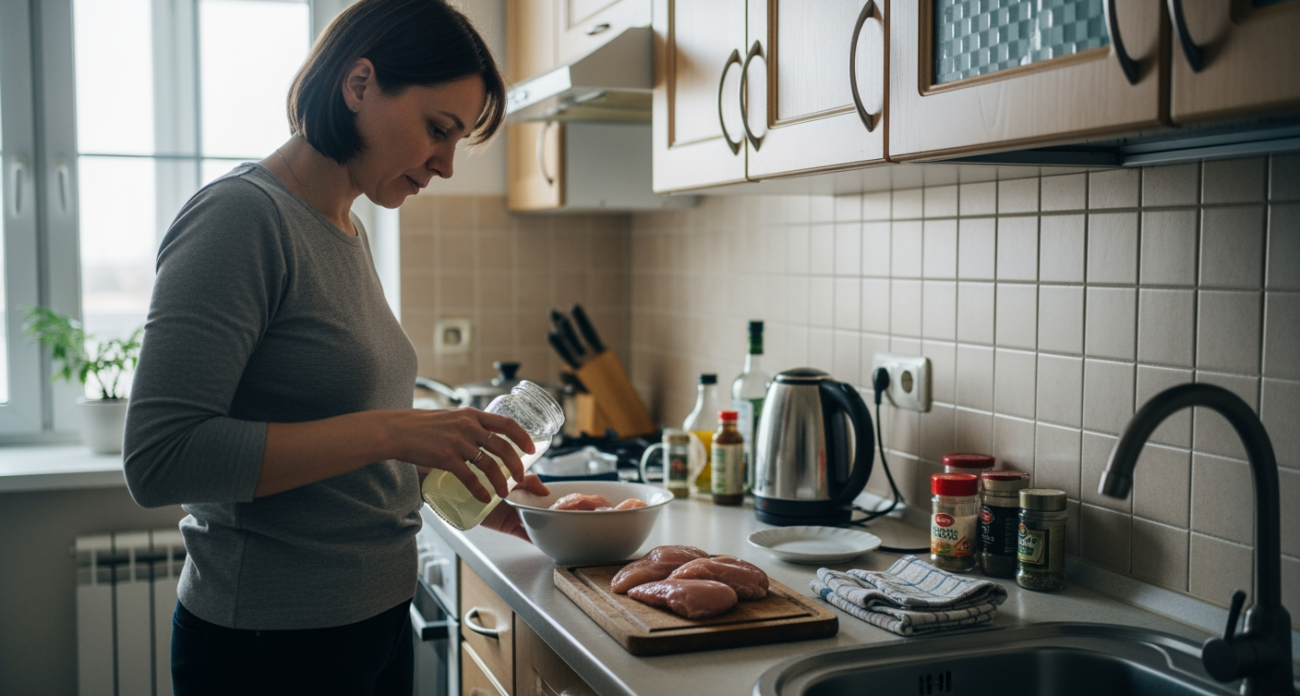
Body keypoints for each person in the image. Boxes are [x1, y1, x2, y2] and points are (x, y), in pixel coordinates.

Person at [122, 1, 546, 693]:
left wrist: (452, 480)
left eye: (457, 141)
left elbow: (333, 452)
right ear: (359, 85)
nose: (445, 165)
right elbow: (160, 458)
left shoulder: (347, 229)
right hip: (269, 647)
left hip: (373, 623)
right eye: (438, 129)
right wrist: (395, 430)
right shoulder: (243, 217)